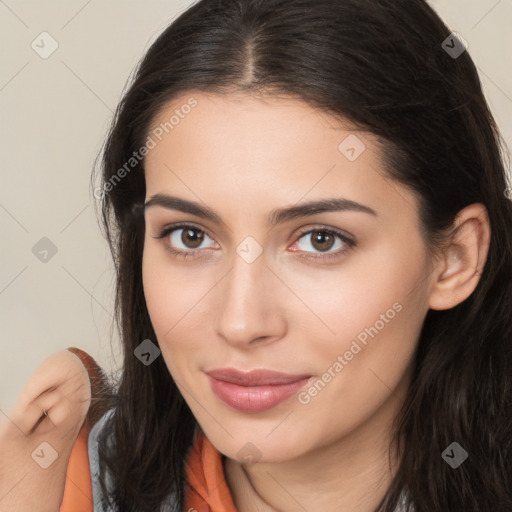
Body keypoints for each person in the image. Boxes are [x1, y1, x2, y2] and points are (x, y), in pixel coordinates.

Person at [1, 0, 511, 510]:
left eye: (320, 240)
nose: (241, 323)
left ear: (455, 258)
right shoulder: (54, 487)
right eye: (190, 236)